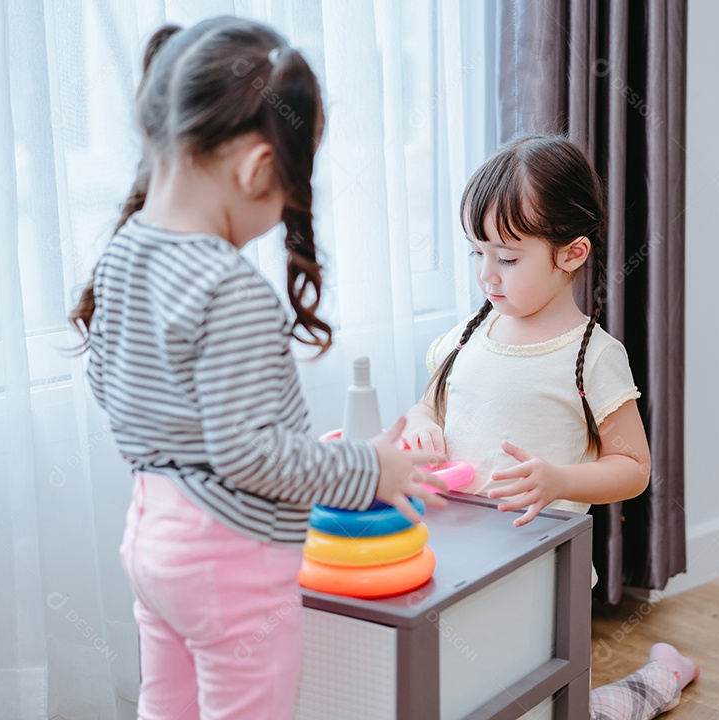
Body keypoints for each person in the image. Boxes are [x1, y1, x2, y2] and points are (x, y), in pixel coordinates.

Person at [70, 17, 444, 719]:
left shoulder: (125, 252)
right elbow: (247, 454)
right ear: (256, 169)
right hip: (226, 557)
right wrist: (372, 467)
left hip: (152, 536)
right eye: (287, 194)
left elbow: (111, 387)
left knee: (166, 705)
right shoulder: (228, 284)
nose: (281, 216)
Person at [402, 134, 698, 719]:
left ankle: (661, 676)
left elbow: (634, 470)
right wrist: (418, 425)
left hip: (539, 578)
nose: (488, 274)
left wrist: (558, 480)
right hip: (459, 562)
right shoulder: (464, 339)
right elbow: (426, 409)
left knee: (555, 706)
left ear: (572, 253)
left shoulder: (590, 356)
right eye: (477, 252)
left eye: (507, 258)